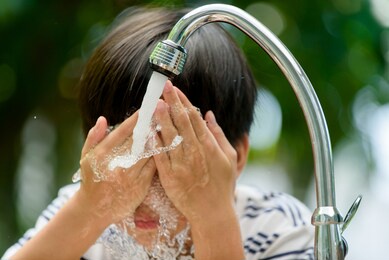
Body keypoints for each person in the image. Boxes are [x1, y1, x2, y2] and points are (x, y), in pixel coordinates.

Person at [2, 6, 314, 260]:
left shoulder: (278, 227)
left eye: (174, 157)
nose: (142, 188)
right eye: (126, 154)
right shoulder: (82, 215)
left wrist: (213, 221)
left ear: (236, 157)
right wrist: (88, 212)